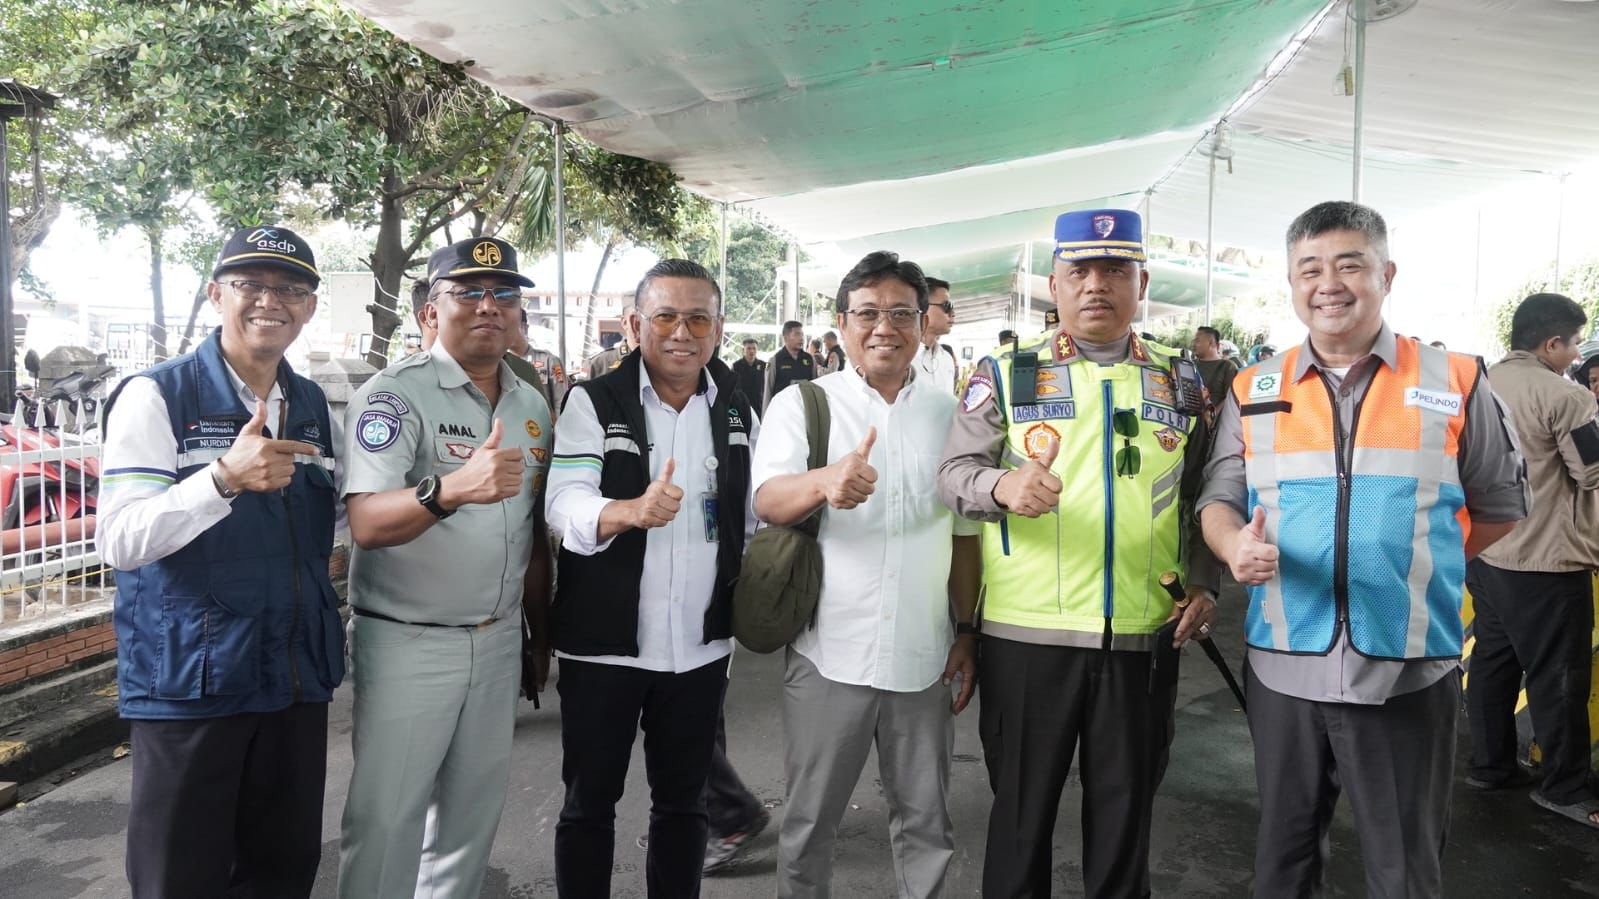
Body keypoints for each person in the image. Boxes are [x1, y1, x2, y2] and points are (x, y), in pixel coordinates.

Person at [1197, 201, 1528, 896]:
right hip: (1285, 666)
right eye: (1308, 268)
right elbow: (1218, 497)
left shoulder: (1454, 378)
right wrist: (1231, 548)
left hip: (1406, 669)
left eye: (1349, 263)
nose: (1328, 283)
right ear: (1291, 283)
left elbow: (1498, 507)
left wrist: (1413, 561)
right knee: (1281, 864)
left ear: (1386, 273)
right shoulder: (1253, 387)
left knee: (1402, 867)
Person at [937, 209, 1219, 898]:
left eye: (1115, 270)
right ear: (1053, 285)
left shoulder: (1181, 381)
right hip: (1026, 636)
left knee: (1125, 826)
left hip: (1140, 636)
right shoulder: (1004, 371)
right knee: (1020, 822)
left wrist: (1205, 581)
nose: (1097, 285)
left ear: (1141, 281)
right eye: (1079, 271)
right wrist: (1001, 484)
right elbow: (951, 475)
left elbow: (1207, 498)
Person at [99, 225, 343, 898]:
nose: (272, 300)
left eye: (291, 288)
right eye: (251, 284)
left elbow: (325, 524)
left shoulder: (313, 404)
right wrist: (220, 479)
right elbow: (119, 539)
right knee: (181, 880)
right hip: (190, 687)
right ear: (215, 295)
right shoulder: (156, 396)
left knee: (282, 874)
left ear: (310, 306)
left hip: (293, 682)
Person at [757, 251, 980, 899]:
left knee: (926, 824)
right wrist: (823, 480)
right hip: (830, 651)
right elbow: (767, 499)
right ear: (841, 322)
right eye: (868, 314)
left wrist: (966, 630)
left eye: (901, 314)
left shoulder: (949, 414)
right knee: (808, 823)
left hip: (924, 655)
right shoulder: (806, 404)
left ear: (923, 323)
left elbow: (964, 535)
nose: (884, 327)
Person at [337, 236, 554, 898]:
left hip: (494, 642)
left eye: (504, 294)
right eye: (468, 292)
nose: (489, 307)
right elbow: (368, 524)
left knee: (469, 820)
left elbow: (532, 530)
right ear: (430, 312)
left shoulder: (531, 402)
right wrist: (451, 488)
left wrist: (537, 633)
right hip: (409, 641)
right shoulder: (394, 396)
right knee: (386, 820)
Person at [546, 258, 758, 899]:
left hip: (698, 649)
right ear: (636, 324)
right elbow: (563, 502)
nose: (682, 332)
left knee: (684, 807)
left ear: (717, 328)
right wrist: (625, 513)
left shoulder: (736, 408)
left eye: (699, 317)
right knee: (589, 806)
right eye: (666, 316)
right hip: (602, 644)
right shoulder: (593, 400)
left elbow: (749, 518)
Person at [1466, 292, 1599, 828]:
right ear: (1552, 343)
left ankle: (1491, 765)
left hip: (1488, 552)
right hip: (1545, 560)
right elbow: (1591, 471)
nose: (1576, 356)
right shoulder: (1564, 397)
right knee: (1559, 675)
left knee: (1494, 662)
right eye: (1574, 345)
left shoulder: (1478, 383)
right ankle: (1565, 787)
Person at [512, 307, 570, 419]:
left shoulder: (549, 360)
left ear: (525, 328)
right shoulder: (498, 363)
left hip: (542, 427)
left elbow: (561, 401)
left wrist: (558, 431)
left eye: (514, 326)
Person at [914, 275, 959, 394]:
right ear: (922, 307)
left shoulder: (946, 359)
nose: (952, 313)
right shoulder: (902, 360)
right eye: (946, 306)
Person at [765, 320, 816, 411]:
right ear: (785, 338)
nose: (801, 338)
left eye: (802, 334)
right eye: (797, 334)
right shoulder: (775, 361)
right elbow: (768, 392)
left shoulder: (810, 359)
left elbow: (815, 387)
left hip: (805, 411)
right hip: (782, 411)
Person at [731, 337, 767, 409]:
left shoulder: (764, 365)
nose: (752, 351)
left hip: (759, 405)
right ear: (743, 350)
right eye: (749, 348)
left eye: (754, 348)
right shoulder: (736, 366)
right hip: (741, 405)